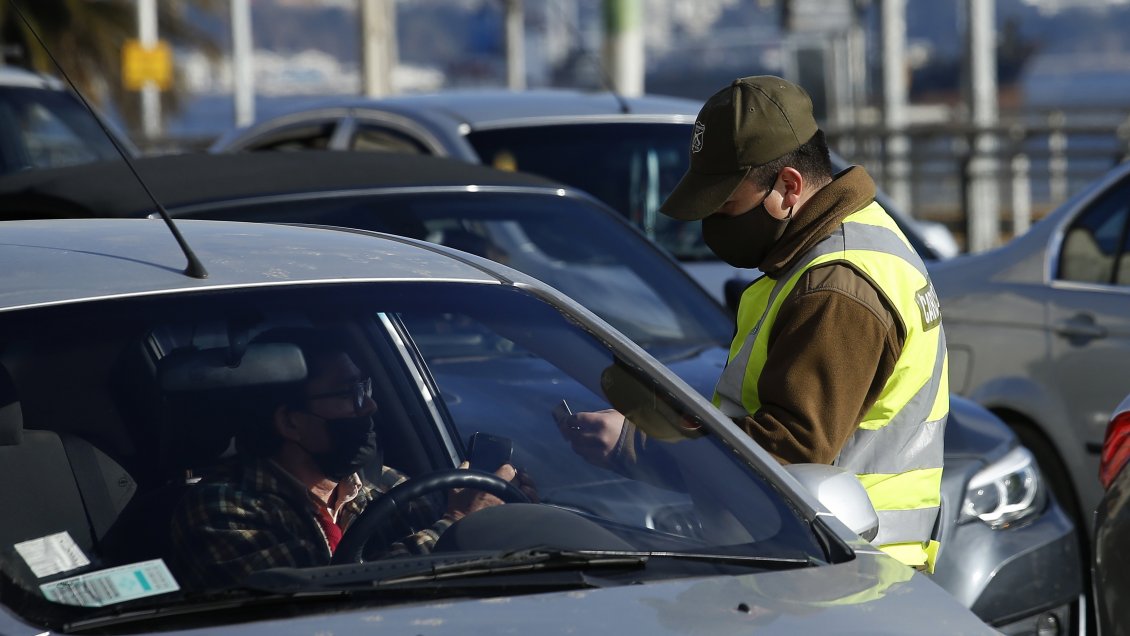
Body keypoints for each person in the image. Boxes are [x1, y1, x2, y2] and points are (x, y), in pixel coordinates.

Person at [559, 76, 948, 572]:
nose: (713, 224)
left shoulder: (836, 284)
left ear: (788, 187)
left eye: (726, 205)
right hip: (832, 562)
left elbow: (788, 452)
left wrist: (637, 443)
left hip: (840, 572)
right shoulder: (846, 243)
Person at [170, 327, 528, 591]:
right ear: (290, 422)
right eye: (348, 394)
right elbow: (325, 600)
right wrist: (457, 522)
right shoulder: (222, 507)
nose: (369, 406)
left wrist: (505, 512)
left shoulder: (382, 484)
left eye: (364, 389)